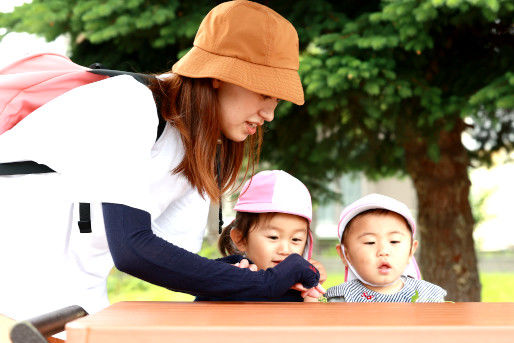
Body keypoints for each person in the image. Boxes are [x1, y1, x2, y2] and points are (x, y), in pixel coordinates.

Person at [0, 0, 321, 321]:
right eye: (265, 93)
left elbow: (172, 261)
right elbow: (133, 251)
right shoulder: (129, 104)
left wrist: (278, 277)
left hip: (79, 289)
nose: (270, 114)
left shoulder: (204, 150)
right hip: (21, 276)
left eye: (276, 99)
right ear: (219, 76)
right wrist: (263, 283)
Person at [196, 170, 326, 302]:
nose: (285, 250)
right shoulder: (230, 272)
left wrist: (311, 290)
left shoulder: (298, 281)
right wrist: (232, 283)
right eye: (273, 237)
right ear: (241, 239)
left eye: (296, 239)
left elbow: (309, 319)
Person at [326, 193, 446, 302]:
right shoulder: (339, 298)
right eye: (370, 242)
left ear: (411, 251)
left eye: (394, 241)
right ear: (345, 254)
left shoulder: (429, 296)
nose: (383, 251)